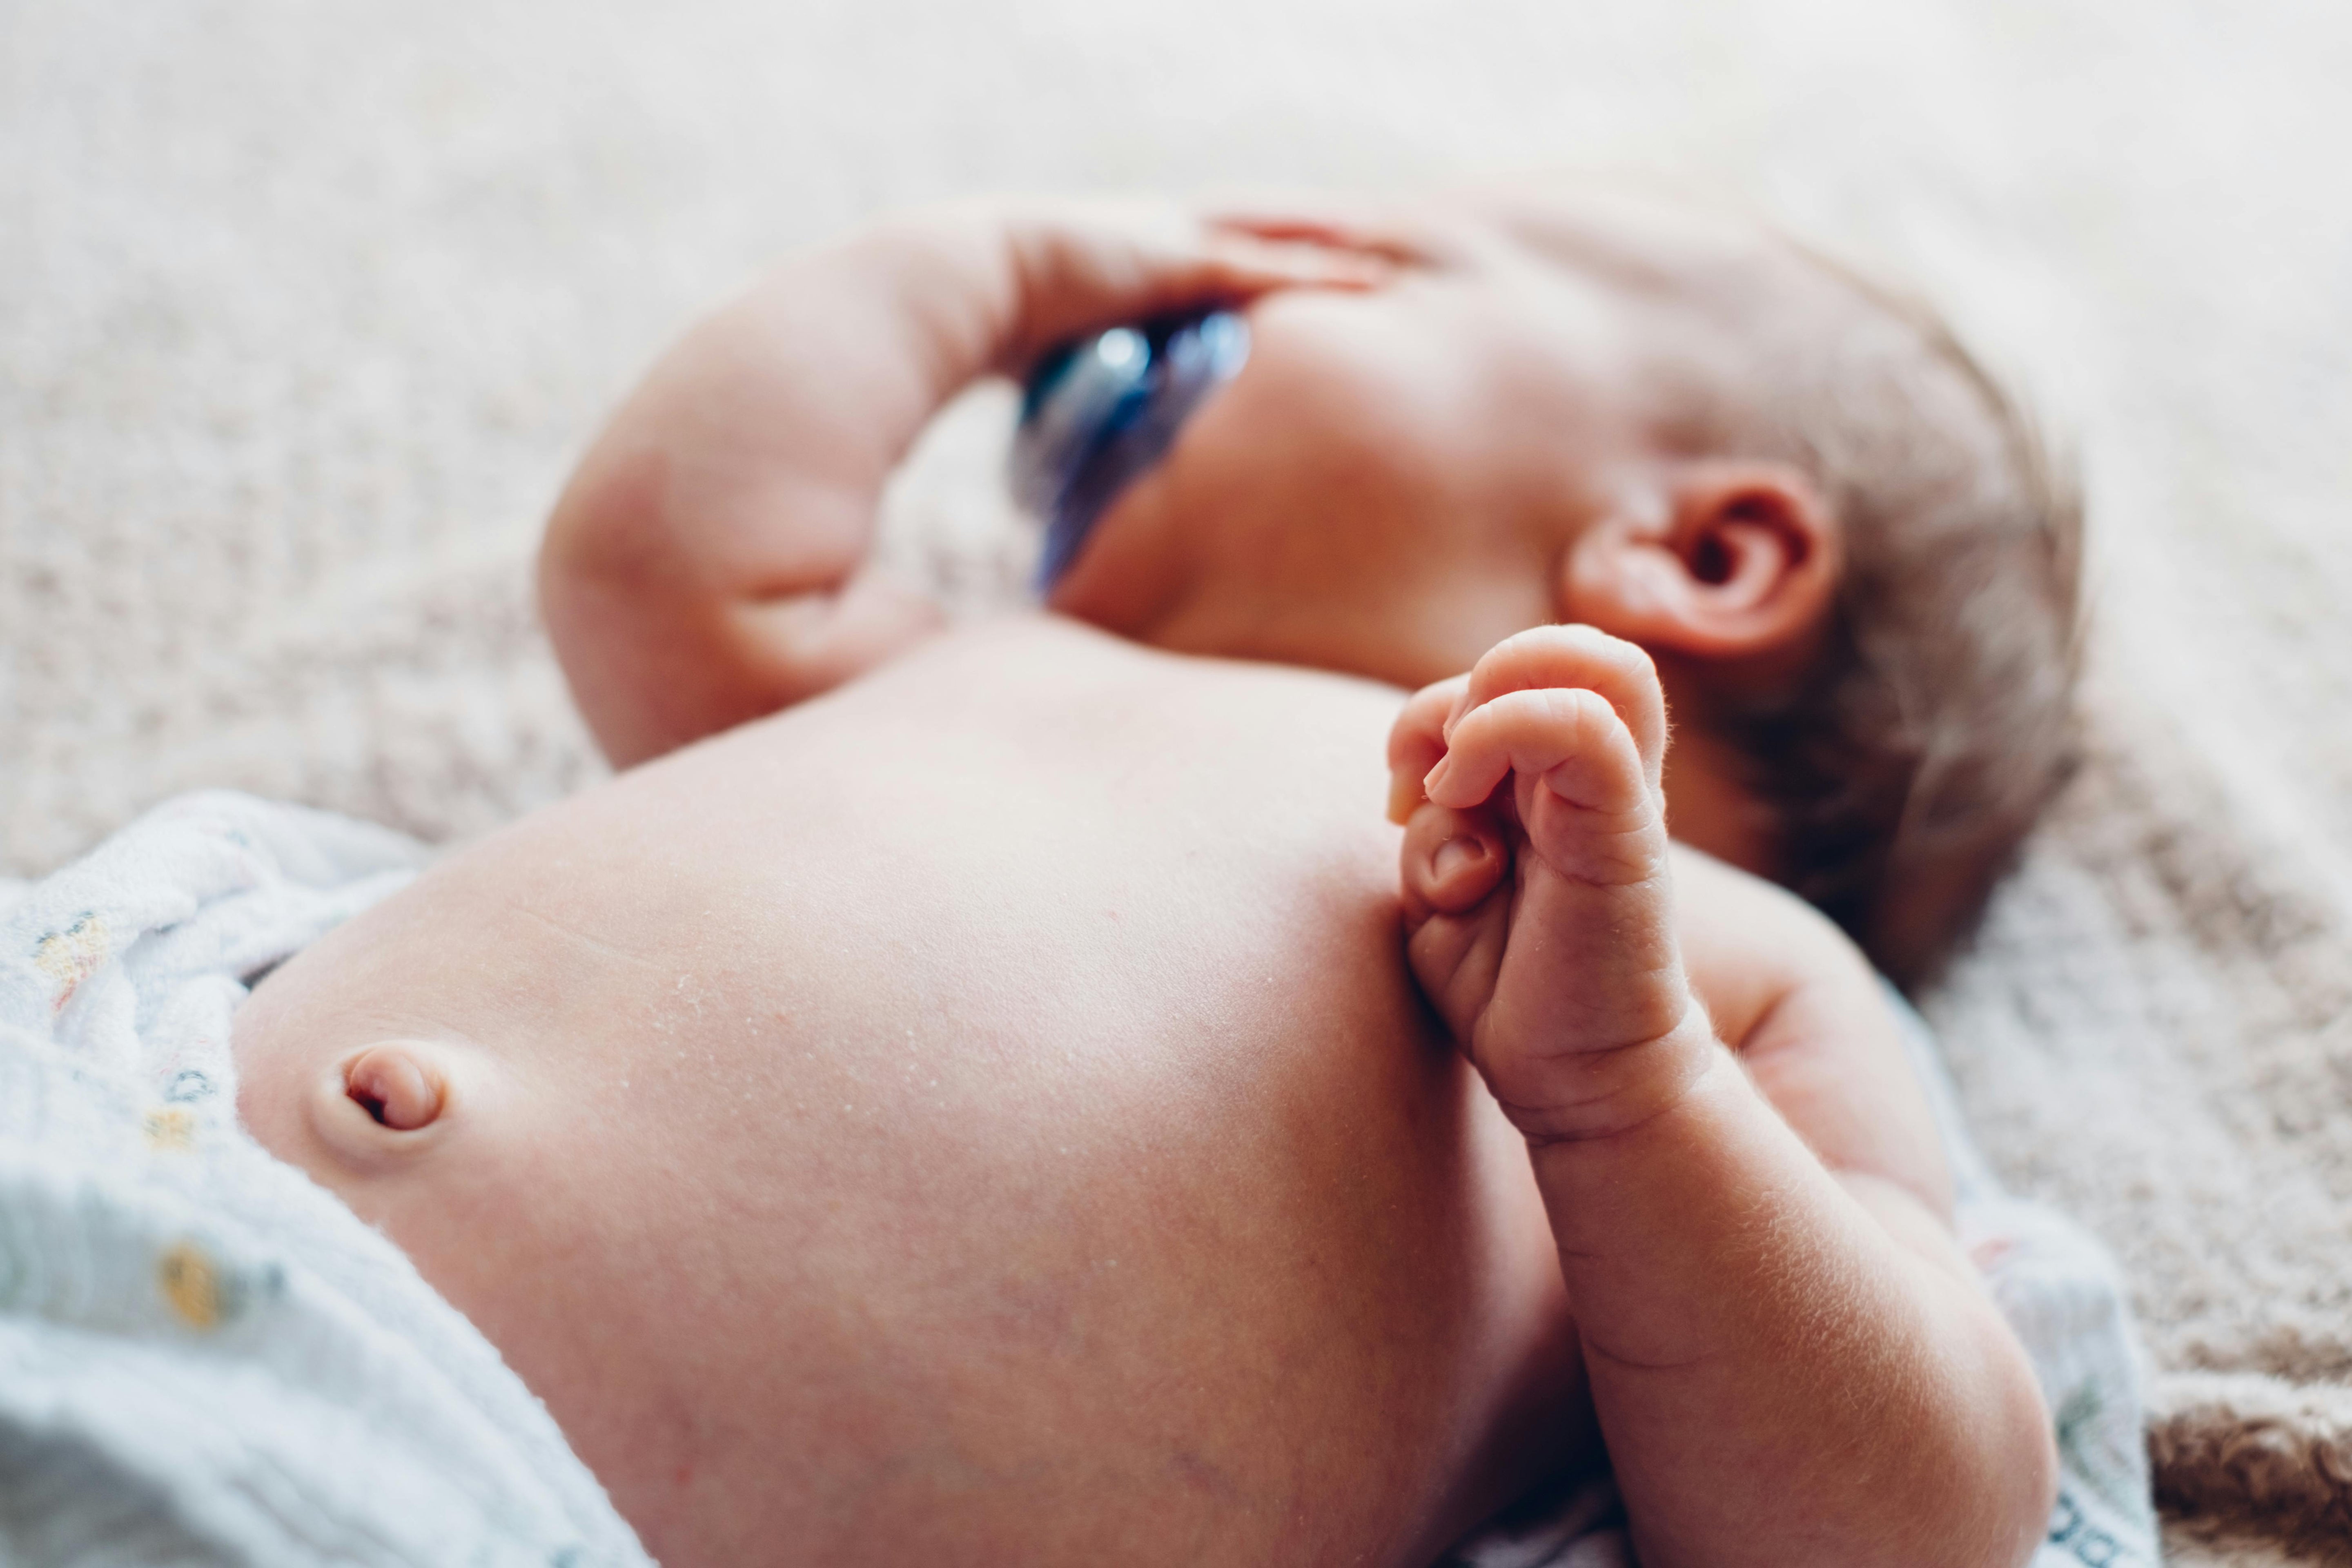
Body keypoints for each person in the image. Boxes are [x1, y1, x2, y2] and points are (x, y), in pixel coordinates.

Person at [230, 197, 2060, 1568]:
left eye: (1367, 262)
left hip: (515, 1502)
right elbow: (651, 560)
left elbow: (1918, 1524)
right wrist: (980, 267)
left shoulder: (1736, 977)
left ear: (1705, 553)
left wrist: (1630, 1094)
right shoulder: (967, 663)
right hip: (147, 1187)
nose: (1201, 285)